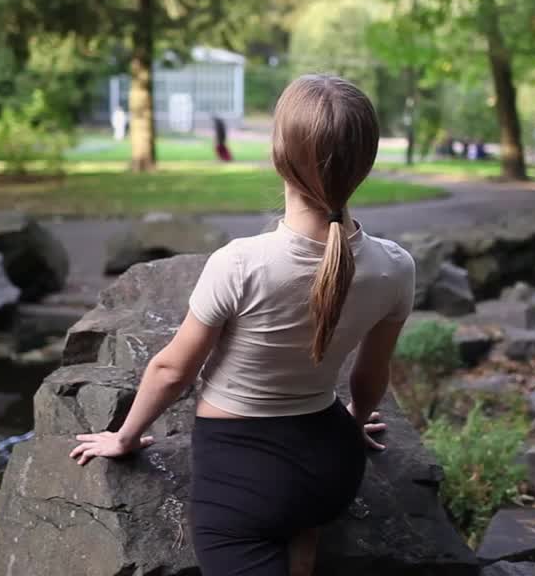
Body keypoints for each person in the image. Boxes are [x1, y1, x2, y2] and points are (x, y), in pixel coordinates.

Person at [70, 75, 416, 576]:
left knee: (261, 528)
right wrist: (357, 423)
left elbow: (171, 370)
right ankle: (301, 542)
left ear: (279, 155)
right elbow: (370, 374)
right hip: (334, 468)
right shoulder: (396, 265)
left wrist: (124, 438)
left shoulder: (242, 263)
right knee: (301, 520)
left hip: (243, 481)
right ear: (367, 161)